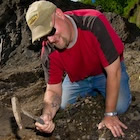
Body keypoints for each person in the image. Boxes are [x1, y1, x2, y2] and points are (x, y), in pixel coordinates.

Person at [25, 0, 132, 137]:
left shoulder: (93, 22)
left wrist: (110, 114)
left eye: (51, 30)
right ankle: (94, 91)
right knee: (62, 105)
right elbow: (52, 89)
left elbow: (114, 71)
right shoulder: (48, 50)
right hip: (78, 77)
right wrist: (47, 115)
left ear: (59, 13)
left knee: (120, 106)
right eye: (44, 36)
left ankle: (103, 91)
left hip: (107, 71)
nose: (50, 39)